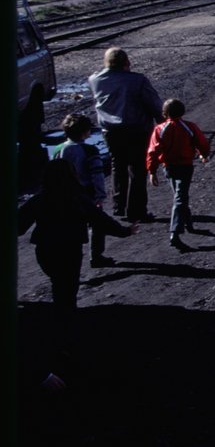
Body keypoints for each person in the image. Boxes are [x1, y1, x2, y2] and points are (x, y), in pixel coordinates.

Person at [18, 161, 134, 386]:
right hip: (69, 250)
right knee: (67, 294)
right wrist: (125, 231)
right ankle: (65, 342)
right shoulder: (77, 198)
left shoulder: (40, 199)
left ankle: (59, 332)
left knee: (58, 284)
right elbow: (100, 220)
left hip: (45, 251)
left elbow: (19, 225)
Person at [88, 46, 163, 221]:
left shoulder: (94, 80)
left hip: (111, 131)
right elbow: (154, 104)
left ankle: (118, 206)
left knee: (118, 166)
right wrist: (162, 124)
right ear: (126, 62)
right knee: (137, 169)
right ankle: (137, 210)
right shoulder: (138, 80)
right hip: (137, 129)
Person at [145, 97, 211, 251]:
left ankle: (189, 225)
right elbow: (201, 142)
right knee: (180, 197)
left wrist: (152, 170)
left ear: (165, 113)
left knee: (179, 194)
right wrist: (204, 154)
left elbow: (153, 151)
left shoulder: (160, 129)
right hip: (185, 166)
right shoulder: (189, 127)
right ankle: (175, 233)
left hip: (168, 167)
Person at [53, 113, 112, 266]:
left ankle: (69, 260)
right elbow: (97, 175)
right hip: (87, 192)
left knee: (71, 228)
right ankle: (96, 256)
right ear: (85, 132)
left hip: (65, 194)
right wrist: (100, 195)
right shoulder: (90, 150)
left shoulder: (58, 149)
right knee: (97, 224)